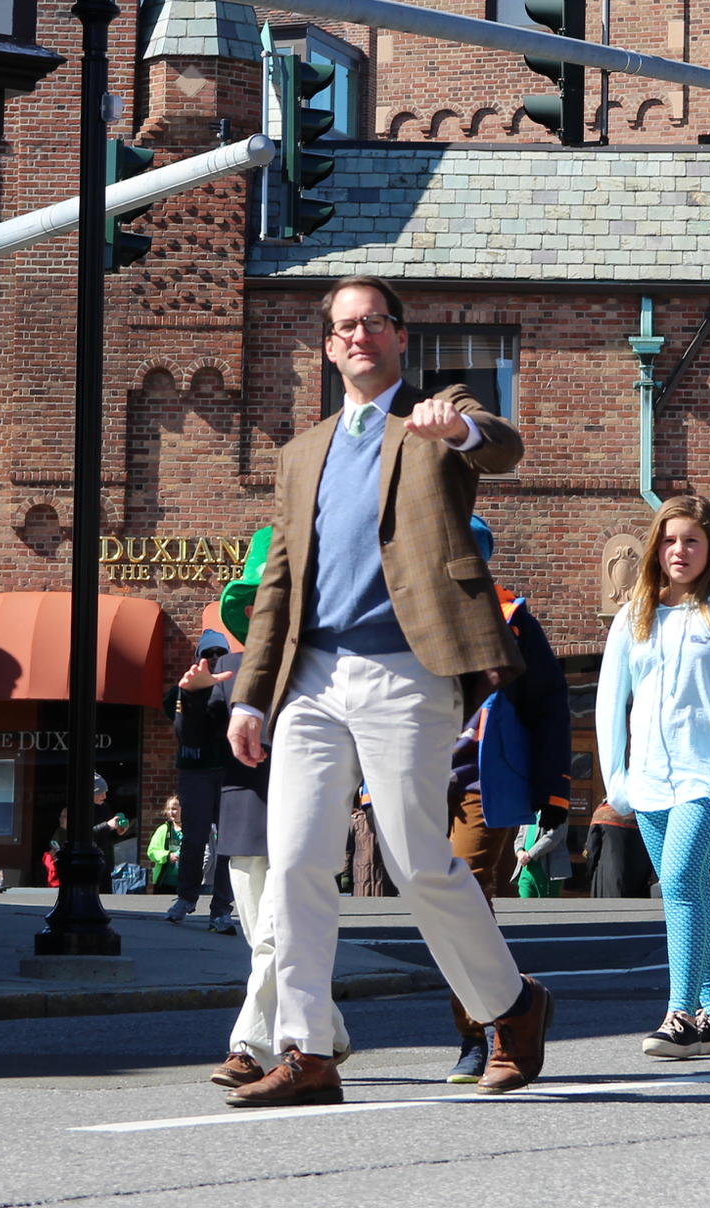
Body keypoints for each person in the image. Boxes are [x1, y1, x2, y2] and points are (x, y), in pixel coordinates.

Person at [223, 274, 550, 1108]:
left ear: (401, 338)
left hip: (407, 666)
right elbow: (280, 586)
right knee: (295, 860)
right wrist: (251, 696)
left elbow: (502, 446)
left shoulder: (433, 417)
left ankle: (510, 1008)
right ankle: (306, 1051)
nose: (360, 336)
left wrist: (465, 425)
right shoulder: (301, 455)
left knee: (412, 858)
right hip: (312, 677)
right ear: (329, 348)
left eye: (375, 323)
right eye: (345, 327)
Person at [596, 495, 710, 1061]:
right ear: (656, 546)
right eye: (670, 539)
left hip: (707, 780)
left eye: (692, 540)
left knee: (676, 883)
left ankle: (680, 1016)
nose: (680, 550)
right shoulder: (635, 615)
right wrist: (616, 779)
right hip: (647, 782)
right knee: (690, 890)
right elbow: (610, 700)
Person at [176, 531, 354, 1091]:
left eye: (275, 594)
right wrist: (191, 695)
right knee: (269, 943)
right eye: (254, 597)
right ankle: (330, 1035)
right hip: (245, 820)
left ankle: (247, 1049)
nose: (261, 606)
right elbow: (194, 746)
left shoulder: (324, 664)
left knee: (278, 938)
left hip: (304, 820)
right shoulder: (229, 664)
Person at [441, 513, 572, 1084]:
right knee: (437, 909)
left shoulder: (512, 618)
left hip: (479, 782)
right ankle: (518, 1001)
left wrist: (553, 790)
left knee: (465, 890)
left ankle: (484, 1033)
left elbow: (548, 704)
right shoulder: (410, 613)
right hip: (420, 779)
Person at [162, 630, 238, 932]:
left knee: (229, 843)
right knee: (194, 837)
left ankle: (221, 909)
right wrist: (194, 689)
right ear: (199, 659)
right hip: (196, 772)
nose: (215, 659)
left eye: (221, 653)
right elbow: (175, 710)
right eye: (209, 654)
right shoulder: (182, 691)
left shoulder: (235, 687)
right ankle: (185, 898)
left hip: (231, 772)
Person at [51, 776, 129, 892]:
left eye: (105, 792)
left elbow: (107, 834)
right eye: (100, 793)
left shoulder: (104, 807)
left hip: (104, 864)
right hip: (87, 866)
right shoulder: (79, 809)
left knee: (105, 899)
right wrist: (107, 825)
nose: (104, 796)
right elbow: (82, 834)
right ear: (91, 793)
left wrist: (119, 831)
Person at [584, 801, 655, 898]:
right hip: (640, 876)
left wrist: (590, 874)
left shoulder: (603, 813)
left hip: (608, 876)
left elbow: (592, 849)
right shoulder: (646, 813)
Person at [146, 796, 182, 895]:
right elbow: (152, 852)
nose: (171, 812)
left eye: (174, 809)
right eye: (169, 809)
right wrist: (168, 856)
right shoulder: (163, 829)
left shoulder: (190, 831)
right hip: (164, 882)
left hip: (185, 882)